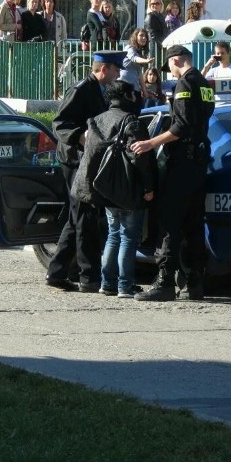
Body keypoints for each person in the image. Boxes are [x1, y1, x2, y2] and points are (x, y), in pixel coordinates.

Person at [131, 44, 215, 301]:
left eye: (170, 66)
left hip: (183, 163)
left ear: (176, 60)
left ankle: (165, 282)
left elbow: (181, 126)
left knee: (169, 221)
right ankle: (195, 282)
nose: (169, 71)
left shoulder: (185, 86)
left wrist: (150, 143)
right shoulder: (204, 84)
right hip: (199, 161)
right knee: (193, 223)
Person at [45, 50, 127, 293]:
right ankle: (89, 277)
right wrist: (81, 138)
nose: (118, 74)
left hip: (88, 159)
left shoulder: (101, 90)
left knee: (77, 217)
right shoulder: (82, 89)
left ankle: (57, 271)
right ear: (104, 69)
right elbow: (60, 123)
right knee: (85, 216)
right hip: (74, 160)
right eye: (115, 69)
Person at [71, 80, 156, 298]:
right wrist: (148, 187)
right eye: (134, 94)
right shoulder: (131, 122)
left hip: (105, 188)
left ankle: (107, 283)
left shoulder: (97, 120)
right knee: (128, 237)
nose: (137, 97)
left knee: (113, 235)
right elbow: (141, 158)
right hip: (128, 188)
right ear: (127, 96)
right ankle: (125, 286)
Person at [120, 28, 154, 96]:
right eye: (141, 35)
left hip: (135, 88)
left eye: (146, 36)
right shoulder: (129, 48)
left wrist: (144, 91)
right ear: (135, 37)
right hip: (124, 87)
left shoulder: (139, 52)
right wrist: (146, 61)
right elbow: (134, 58)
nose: (144, 38)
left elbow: (139, 74)